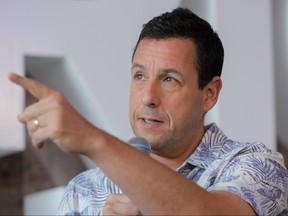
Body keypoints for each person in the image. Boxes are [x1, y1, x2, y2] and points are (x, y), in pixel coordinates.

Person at [8, 7, 287, 216]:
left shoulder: (255, 165)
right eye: (139, 76)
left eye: (169, 80)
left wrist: (93, 139)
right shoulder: (85, 189)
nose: (148, 97)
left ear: (209, 94)